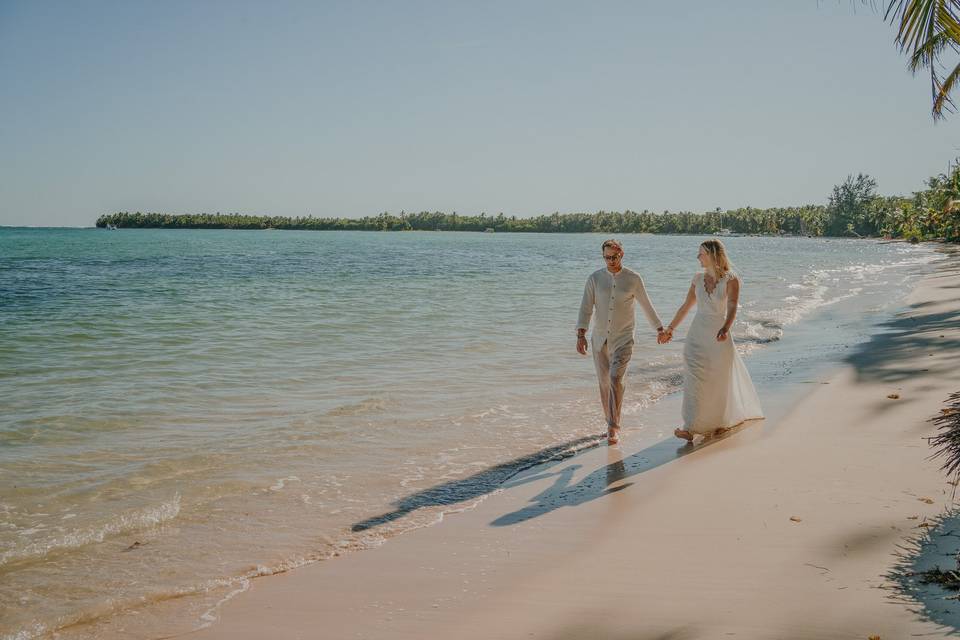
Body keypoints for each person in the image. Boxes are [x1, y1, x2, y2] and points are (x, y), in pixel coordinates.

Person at [660, 239, 763, 442]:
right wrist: (670, 329)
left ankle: (716, 421)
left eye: (701, 253)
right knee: (693, 378)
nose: (698, 257)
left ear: (713, 255)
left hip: (718, 336)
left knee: (717, 381)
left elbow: (732, 306)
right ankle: (690, 427)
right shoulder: (697, 278)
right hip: (696, 335)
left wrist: (726, 327)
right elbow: (685, 306)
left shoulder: (731, 280)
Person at [576, 239, 667, 445]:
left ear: (622, 254)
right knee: (604, 382)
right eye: (606, 257)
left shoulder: (633, 278)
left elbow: (646, 305)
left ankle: (613, 427)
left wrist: (660, 329)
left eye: (614, 257)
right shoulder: (595, 279)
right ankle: (610, 420)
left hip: (624, 338)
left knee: (616, 378)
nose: (610, 261)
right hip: (600, 338)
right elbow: (585, 308)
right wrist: (581, 334)